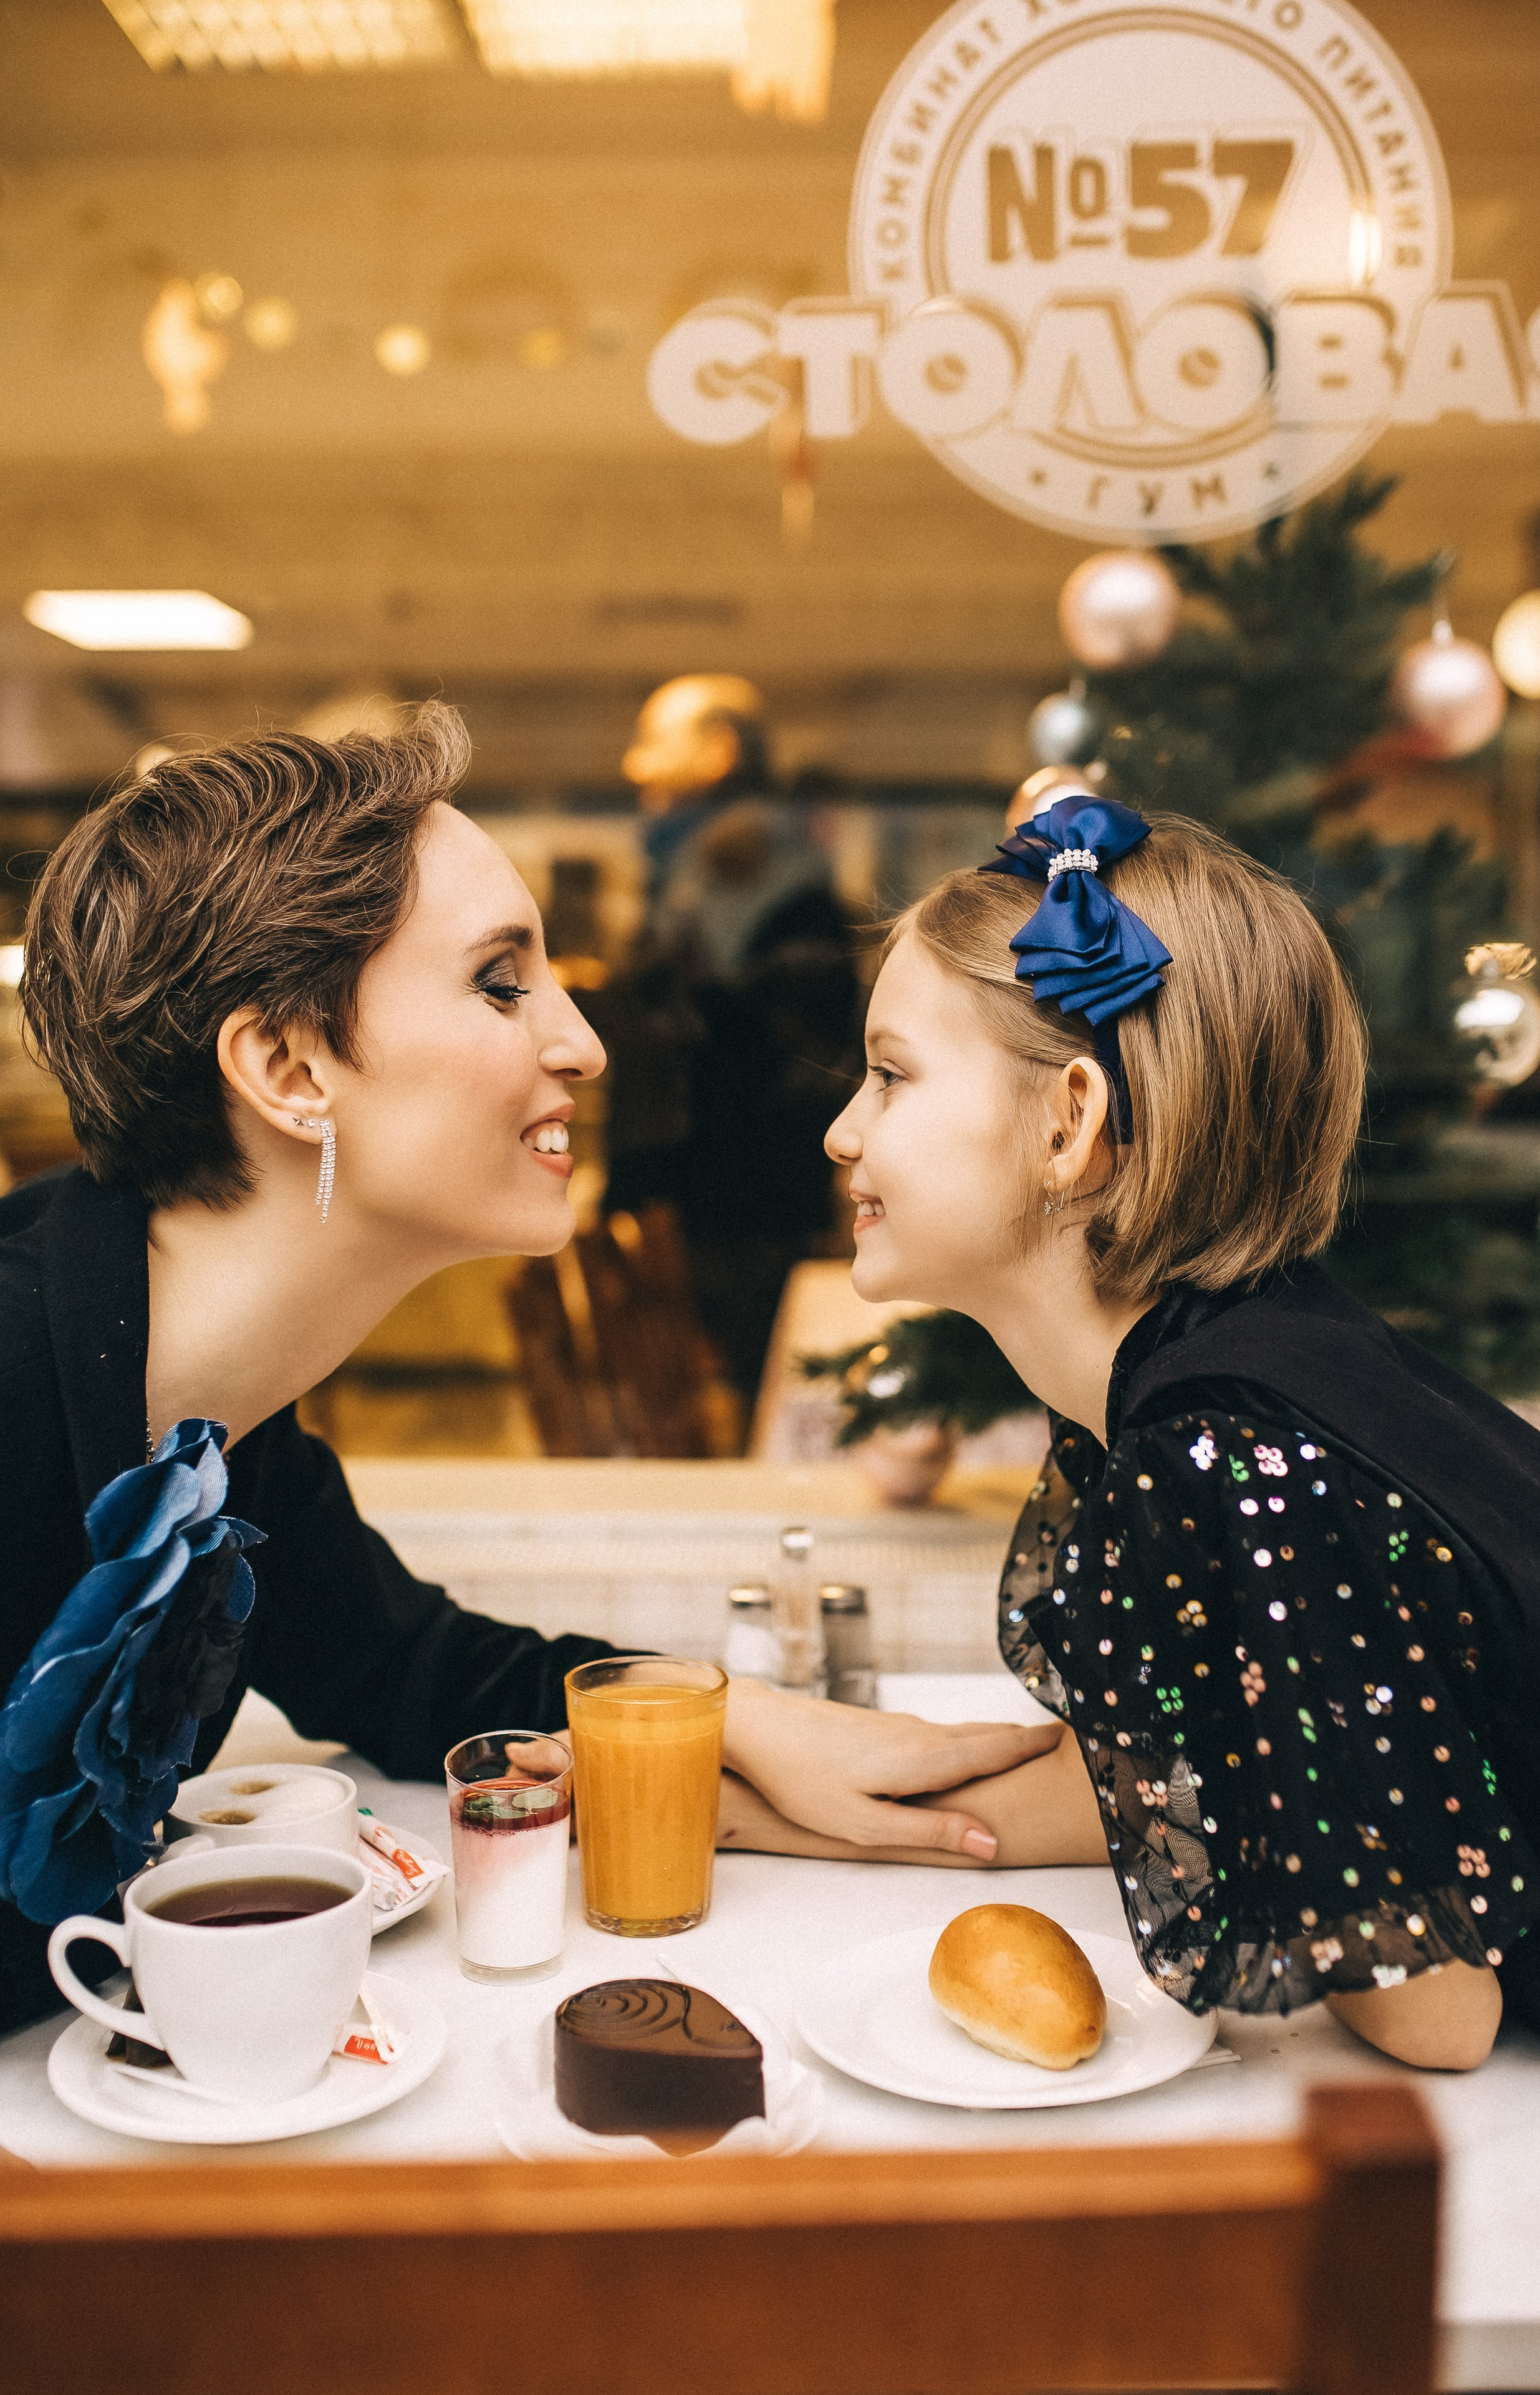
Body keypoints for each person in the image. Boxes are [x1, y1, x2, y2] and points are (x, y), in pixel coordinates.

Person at [0, 705, 1057, 2033]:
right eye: (502, 984)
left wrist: (742, 1720)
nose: (584, 1043)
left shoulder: (224, 1426)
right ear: (286, 1066)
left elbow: (415, 1673)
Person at [777, 791, 1540, 2075]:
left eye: (891, 1074)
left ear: (1071, 1125)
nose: (844, 1128)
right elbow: (1200, 1770)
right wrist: (774, 1810)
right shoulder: (1243, 1360)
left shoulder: (1223, 1449)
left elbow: (1438, 2016)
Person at [604, 674, 860, 1405]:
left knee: (727, 1399)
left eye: (657, 746)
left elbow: (725, 1042)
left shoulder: (742, 865)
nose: (638, 770)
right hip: (736, 1195)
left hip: (730, 1205)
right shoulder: (720, 864)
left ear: (719, 752)